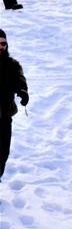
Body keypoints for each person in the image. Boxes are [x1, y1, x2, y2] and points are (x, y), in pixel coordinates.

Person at [0, 30, 28, 181]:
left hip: (4, 118)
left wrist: (23, 92)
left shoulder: (13, 64)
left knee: (2, 155)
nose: (1, 47)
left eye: (3, 44)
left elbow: (20, 80)